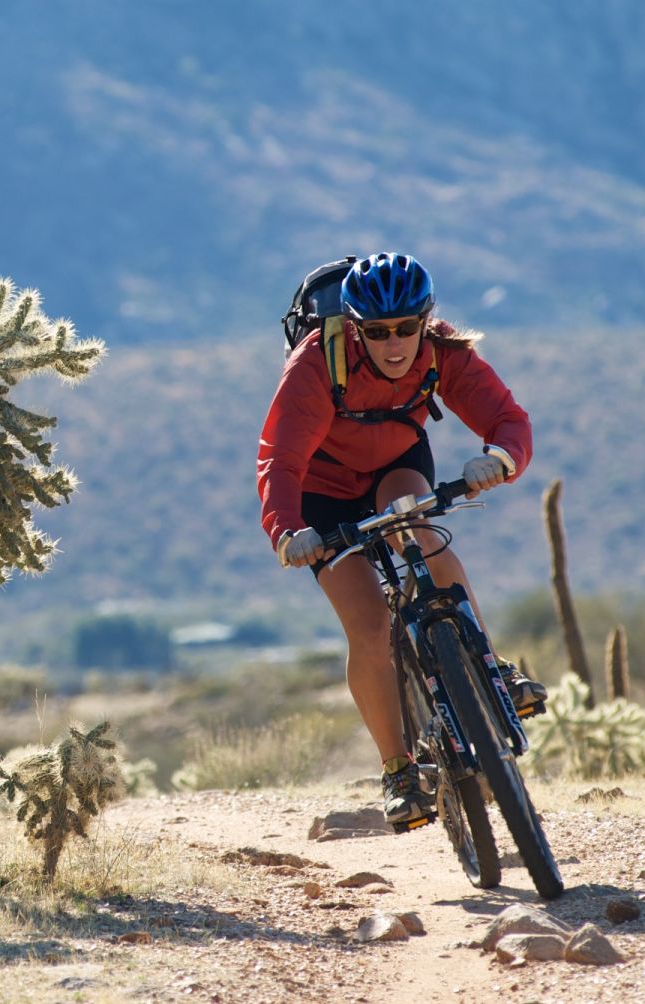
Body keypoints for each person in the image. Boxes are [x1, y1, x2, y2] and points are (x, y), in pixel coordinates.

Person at [256, 251, 547, 826]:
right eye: (379, 332)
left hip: (394, 466)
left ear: (425, 321)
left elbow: (508, 420)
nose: (395, 345)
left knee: (421, 534)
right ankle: (399, 771)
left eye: (407, 329)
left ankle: (491, 668)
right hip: (321, 494)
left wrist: (500, 458)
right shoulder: (317, 363)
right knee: (369, 627)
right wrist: (288, 531)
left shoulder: (441, 351)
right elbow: (280, 460)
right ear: (354, 328)